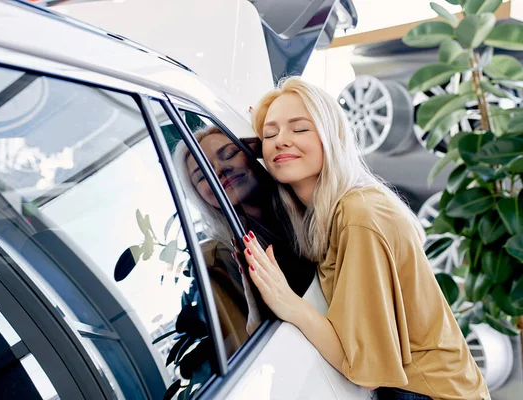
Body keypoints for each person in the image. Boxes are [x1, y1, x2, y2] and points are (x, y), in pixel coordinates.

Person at [242, 76, 490, 400]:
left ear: (332, 136)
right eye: (270, 134)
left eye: (300, 128)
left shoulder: (359, 215)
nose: (281, 141)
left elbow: (367, 371)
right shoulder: (328, 213)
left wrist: (288, 303)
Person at [172, 125, 315, 352]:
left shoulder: (309, 203)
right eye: (201, 175)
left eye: (229, 154)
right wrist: (256, 318)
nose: (218, 170)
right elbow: (250, 346)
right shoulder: (219, 259)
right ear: (198, 195)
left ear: (254, 152)